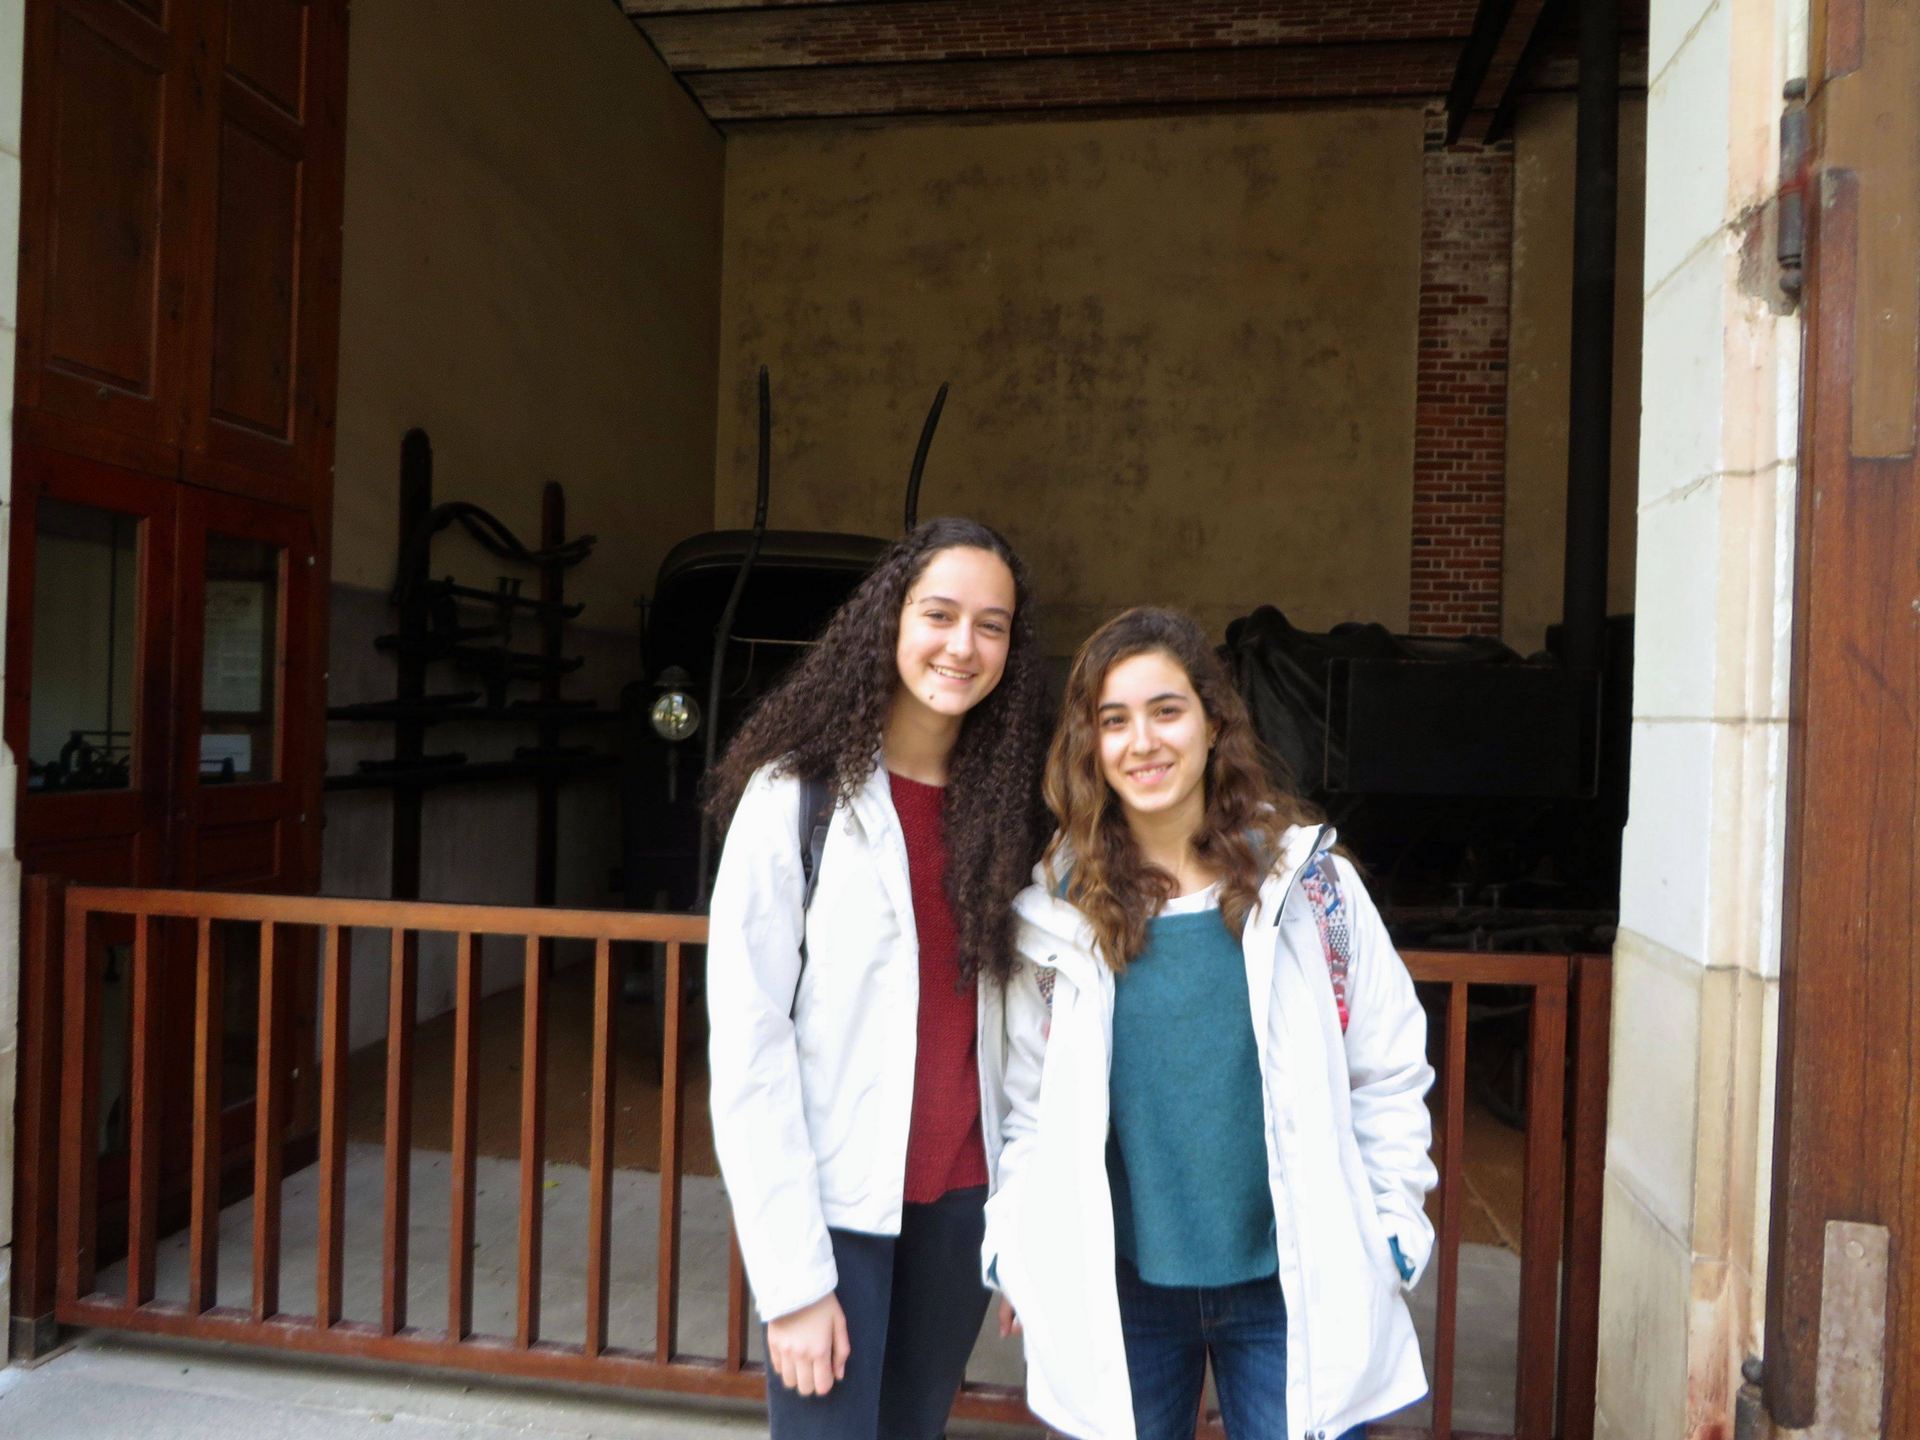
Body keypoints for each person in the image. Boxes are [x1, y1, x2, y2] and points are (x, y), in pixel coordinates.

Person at [981, 606, 1436, 1440]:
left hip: (1289, 1288)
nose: (1142, 742)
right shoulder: (1057, 912)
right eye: (1114, 720)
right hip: (1123, 1290)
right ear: (1090, 745)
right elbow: (1030, 1110)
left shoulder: (1311, 888)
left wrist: (1393, 1228)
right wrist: (1019, 1245)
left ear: (1213, 722)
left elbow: (1387, 1065)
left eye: (1166, 710)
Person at [705, 516, 1051, 1440]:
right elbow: (749, 1046)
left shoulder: (1016, 814)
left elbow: (1032, 1040)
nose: (963, 645)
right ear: (890, 620)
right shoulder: (796, 795)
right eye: (939, 614)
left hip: (962, 1202)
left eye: (991, 625)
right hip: (835, 1205)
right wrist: (792, 1281)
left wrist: (1024, 1221)